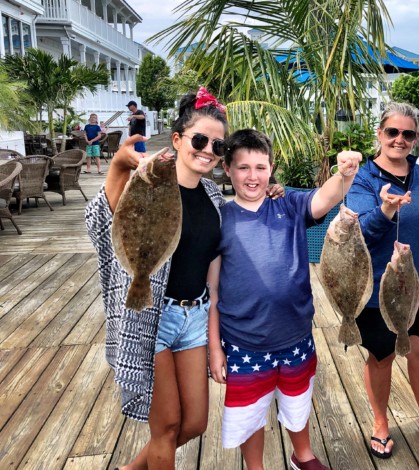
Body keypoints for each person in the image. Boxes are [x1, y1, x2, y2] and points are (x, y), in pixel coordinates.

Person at [86, 88, 281, 469]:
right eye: (199, 139)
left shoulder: (212, 195)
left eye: (218, 145)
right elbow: (101, 224)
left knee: (192, 423)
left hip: (193, 318)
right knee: (167, 425)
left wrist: (274, 191)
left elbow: (242, 222)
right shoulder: (147, 184)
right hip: (150, 319)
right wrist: (119, 166)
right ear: (177, 140)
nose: (208, 149)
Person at [207, 129, 361, 470]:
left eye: (260, 167)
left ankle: (302, 455)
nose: (252, 176)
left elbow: (324, 199)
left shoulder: (288, 203)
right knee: (250, 414)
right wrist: (215, 347)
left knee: (298, 401)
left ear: (271, 168)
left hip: (295, 335)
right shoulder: (221, 218)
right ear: (228, 170)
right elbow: (213, 290)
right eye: (243, 167)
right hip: (244, 343)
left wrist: (343, 175)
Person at [345, 102, 419, 459]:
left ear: (416, 138)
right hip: (379, 287)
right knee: (381, 356)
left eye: (408, 134)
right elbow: (358, 231)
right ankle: (380, 424)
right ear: (379, 133)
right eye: (392, 132)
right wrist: (386, 211)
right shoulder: (363, 178)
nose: (400, 140)